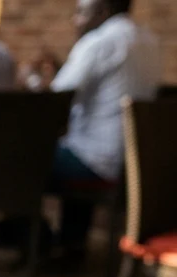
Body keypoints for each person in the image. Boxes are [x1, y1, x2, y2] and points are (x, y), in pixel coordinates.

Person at [46, 0, 161, 259]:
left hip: (97, 162)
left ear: (102, 12)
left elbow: (55, 100)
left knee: (24, 159)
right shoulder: (149, 40)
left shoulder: (99, 41)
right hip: (135, 163)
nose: (76, 20)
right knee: (75, 145)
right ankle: (71, 244)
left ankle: (31, 244)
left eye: (81, 12)